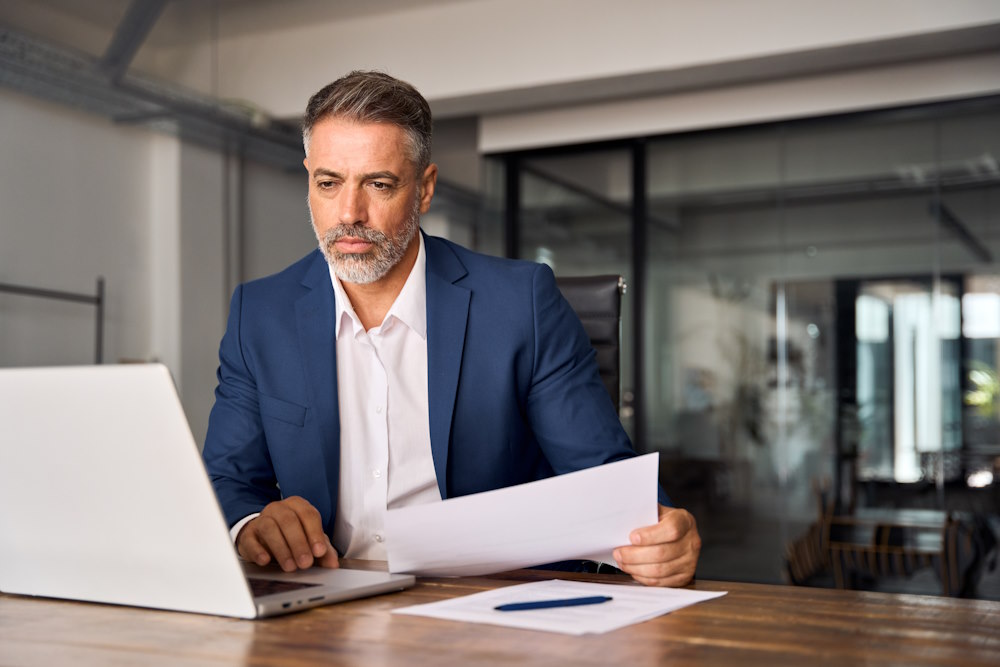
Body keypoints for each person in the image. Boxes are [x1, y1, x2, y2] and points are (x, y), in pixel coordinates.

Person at [203, 70, 700, 587]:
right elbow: (228, 479)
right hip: (324, 606)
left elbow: (600, 476)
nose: (349, 213)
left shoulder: (521, 303)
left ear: (424, 189)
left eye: (378, 184)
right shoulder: (260, 313)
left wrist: (661, 535)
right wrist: (253, 524)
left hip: (487, 604)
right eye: (328, 183)